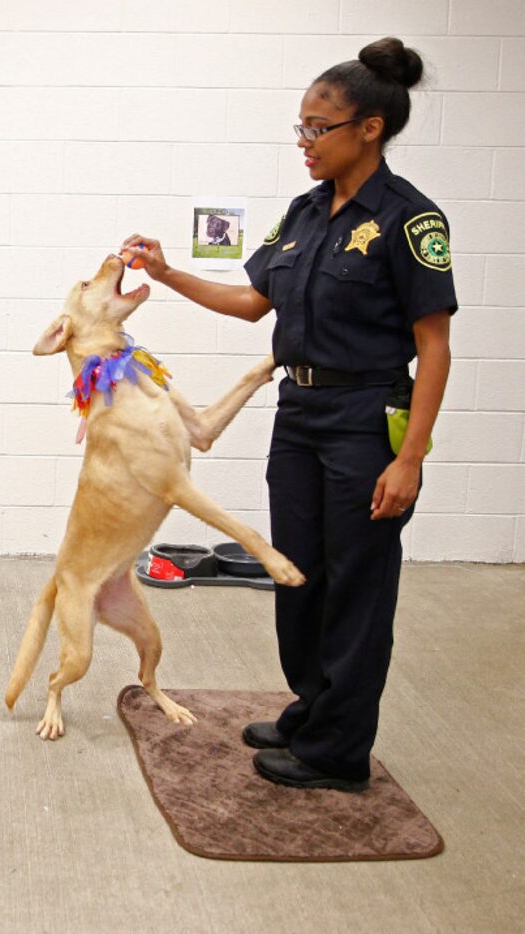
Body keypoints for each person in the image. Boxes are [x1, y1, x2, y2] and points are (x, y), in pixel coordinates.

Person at [121, 36, 455, 792]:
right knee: (298, 572)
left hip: (367, 417)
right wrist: (168, 272)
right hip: (299, 411)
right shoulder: (306, 212)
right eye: (299, 126)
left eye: (317, 127)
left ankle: (339, 751)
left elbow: (433, 347)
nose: (302, 141)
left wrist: (411, 457)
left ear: (368, 128)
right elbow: (252, 304)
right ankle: (312, 710)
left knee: (356, 584)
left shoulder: (409, 221)